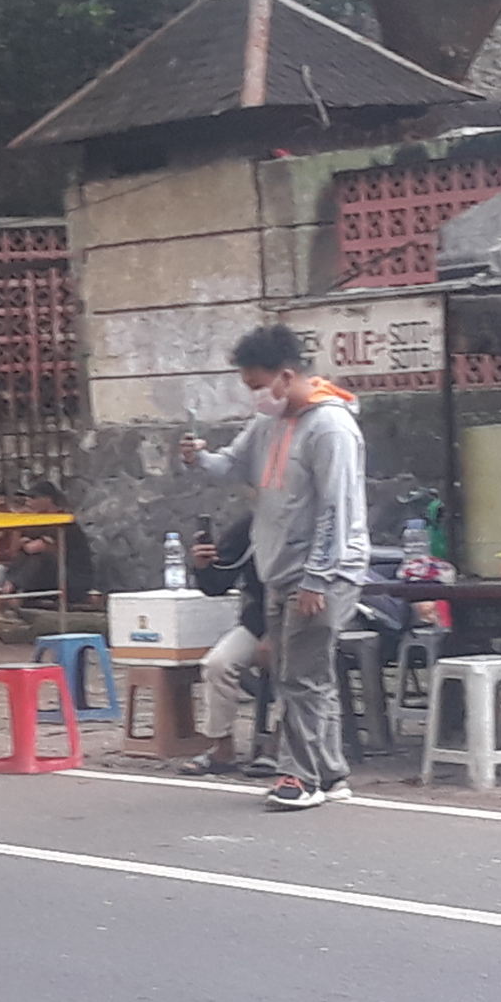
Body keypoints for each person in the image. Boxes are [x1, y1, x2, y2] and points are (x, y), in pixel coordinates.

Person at [179, 326, 368, 813]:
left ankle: (299, 776)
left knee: (302, 676)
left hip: (321, 572)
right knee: (298, 673)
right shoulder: (271, 422)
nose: (256, 397)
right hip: (280, 568)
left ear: (287, 376)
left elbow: (336, 511)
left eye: (258, 386)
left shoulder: (330, 427)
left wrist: (318, 579)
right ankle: (329, 771)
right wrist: (199, 458)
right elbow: (231, 467)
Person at [178, 511, 271, 778]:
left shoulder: (306, 522)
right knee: (217, 664)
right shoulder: (250, 525)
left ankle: (278, 746)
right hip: (259, 620)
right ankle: (222, 747)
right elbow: (218, 584)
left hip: (302, 619)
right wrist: (203, 566)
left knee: (292, 668)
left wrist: (277, 634)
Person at [1, 480, 96, 605]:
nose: (28, 501)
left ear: (47, 499)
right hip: (48, 577)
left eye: (33, 497)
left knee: (39, 557)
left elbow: (39, 549)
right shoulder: (37, 523)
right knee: (25, 557)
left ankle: (15, 590)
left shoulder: (65, 522)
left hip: (72, 577)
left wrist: (32, 545)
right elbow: (15, 551)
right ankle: (10, 587)